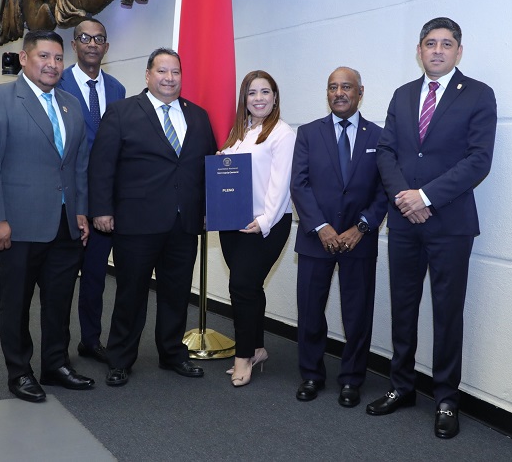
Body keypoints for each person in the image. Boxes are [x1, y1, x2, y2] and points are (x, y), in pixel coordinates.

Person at [366, 17, 497, 439]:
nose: (437, 50)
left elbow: (478, 160)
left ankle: (445, 399)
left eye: (446, 44)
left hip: (450, 224)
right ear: (419, 51)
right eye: (429, 43)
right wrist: (407, 197)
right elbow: (386, 152)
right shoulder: (403, 95)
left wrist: (425, 197)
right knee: (402, 307)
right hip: (405, 223)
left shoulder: (478, 94)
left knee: (447, 313)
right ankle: (401, 387)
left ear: (459, 51)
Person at [0, 30, 95, 403]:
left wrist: (82, 212)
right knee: (16, 303)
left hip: (65, 225)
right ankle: (19, 372)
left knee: (59, 301)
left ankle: (55, 364)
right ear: (24, 59)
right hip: (18, 224)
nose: (52, 65)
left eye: (58, 58)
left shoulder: (71, 104)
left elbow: (77, 166)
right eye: (43, 56)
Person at [88, 47, 217, 386]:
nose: (169, 78)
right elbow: (102, 166)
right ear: (148, 75)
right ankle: (119, 360)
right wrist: (101, 209)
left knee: (176, 293)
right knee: (131, 293)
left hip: (184, 223)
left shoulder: (199, 117)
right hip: (136, 223)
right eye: (162, 71)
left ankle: (172, 354)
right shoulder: (121, 112)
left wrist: (210, 211)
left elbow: (208, 169)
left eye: (175, 72)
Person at [291, 67, 388, 406]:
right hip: (316, 239)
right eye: (333, 87)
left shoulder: (379, 136)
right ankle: (311, 375)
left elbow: (384, 191)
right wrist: (321, 227)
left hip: (359, 240)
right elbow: (299, 185)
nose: (339, 93)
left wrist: (361, 227)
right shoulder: (307, 133)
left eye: (346, 87)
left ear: (360, 92)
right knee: (310, 311)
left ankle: (351, 380)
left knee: (357, 313)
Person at [219, 71, 296, 387]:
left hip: (266, 225)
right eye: (252, 93)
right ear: (244, 99)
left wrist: (263, 222)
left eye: (266, 92)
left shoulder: (282, 134)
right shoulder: (240, 132)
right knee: (250, 288)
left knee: (241, 286)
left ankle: (243, 355)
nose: (259, 98)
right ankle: (259, 348)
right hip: (233, 223)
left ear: (275, 97)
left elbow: (281, 185)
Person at [58, 18, 126, 363]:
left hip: (103, 201)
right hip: (67, 200)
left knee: (96, 276)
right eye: (85, 38)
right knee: (62, 279)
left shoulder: (117, 90)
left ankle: (90, 340)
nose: (92, 44)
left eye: (99, 39)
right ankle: (57, 351)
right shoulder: (58, 83)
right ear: (74, 44)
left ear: (106, 47)